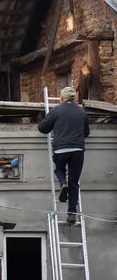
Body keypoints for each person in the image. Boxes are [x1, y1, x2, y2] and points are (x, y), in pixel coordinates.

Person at [38, 86, 90, 223]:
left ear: (61, 98)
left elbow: (43, 129)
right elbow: (86, 133)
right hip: (78, 150)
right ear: (74, 98)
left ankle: (62, 184)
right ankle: (72, 212)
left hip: (61, 149)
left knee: (59, 169)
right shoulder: (81, 112)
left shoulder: (56, 110)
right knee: (74, 182)